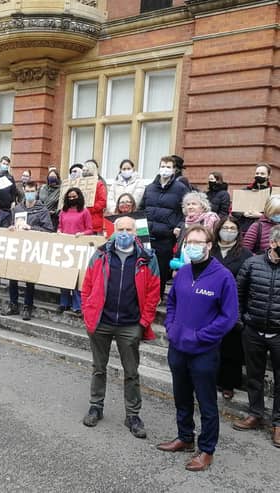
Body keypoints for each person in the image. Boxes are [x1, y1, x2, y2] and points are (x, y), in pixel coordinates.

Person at [157, 225, 238, 472]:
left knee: (206, 404)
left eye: (198, 242)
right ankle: (185, 438)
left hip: (204, 351)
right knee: (181, 397)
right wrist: (171, 327)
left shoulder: (223, 276)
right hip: (178, 348)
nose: (192, 245)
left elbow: (229, 317)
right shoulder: (182, 273)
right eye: (189, 241)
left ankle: (207, 450)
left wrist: (201, 336)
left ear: (209, 245)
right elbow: (171, 303)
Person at [81, 215, 161, 438]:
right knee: (99, 367)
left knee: (132, 372)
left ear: (136, 232)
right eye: (121, 229)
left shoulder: (147, 257)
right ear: (113, 231)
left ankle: (133, 414)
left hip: (130, 324)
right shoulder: (100, 253)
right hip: (101, 322)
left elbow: (154, 291)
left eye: (129, 229)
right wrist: (89, 312)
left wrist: (144, 321)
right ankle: (96, 406)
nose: (125, 233)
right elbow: (86, 284)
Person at [233, 225, 280, 448]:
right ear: (273, 243)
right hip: (253, 330)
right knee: (254, 375)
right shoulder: (252, 264)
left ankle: (278, 423)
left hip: (278, 334)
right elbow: (238, 294)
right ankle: (255, 413)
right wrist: (242, 321)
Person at [210, 216, 253, 400]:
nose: (228, 230)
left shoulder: (246, 255)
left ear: (238, 231)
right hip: (209, 303)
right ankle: (209, 379)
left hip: (233, 305)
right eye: (225, 227)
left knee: (231, 347)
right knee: (209, 346)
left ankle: (228, 384)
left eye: (232, 227)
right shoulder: (208, 250)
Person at [139, 156, 189, 300]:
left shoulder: (181, 189)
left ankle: (156, 297)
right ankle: (143, 296)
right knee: (144, 268)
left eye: (168, 166)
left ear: (174, 170)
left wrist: (179, 226)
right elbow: (141, 208)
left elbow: (185, 211)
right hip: (147, 234)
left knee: (160, 269)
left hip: (165, 237)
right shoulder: (149, 188)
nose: (165, 169)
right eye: (163, 166)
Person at [4, 181, 53, 320]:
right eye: (27, 191)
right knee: (12, 275)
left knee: (29, 278)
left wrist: (31, 228)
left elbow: (49, 230)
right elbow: (12, 224)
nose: (30, 193)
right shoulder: (17, 209)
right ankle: (13, 304)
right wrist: (12, 228)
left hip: (33, 249)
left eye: (32, 191)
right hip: (18, 247)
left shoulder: (42, 210)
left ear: (36, 192)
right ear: (24, 191)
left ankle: (27, 306)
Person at [57, 187, 93, 314]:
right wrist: (59, 231)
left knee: (78, 278)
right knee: (64, 276)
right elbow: (60, 227)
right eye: (70, 197)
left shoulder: (85, 212)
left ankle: (77, 305)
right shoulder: (62, 211)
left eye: (74, 196)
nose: (72, 199)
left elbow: (90, 229)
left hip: (79, 248)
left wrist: (82, 234)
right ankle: (64, 303)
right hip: (65, 247)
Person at [236, 163, 273, 233]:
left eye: (262, 174)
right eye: (257, 173)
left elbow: (276, 214)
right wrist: (244, 214)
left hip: (265, 230)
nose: (259, 175)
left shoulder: (273, 193)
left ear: (268, 176)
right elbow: (233, 210)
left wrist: (261, 215)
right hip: (245, 228)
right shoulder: (245, 190)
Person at [82, 160, 107, 234]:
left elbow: (102, 202)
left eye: (87, 170)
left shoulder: (99, 184)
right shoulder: (80, 184)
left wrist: (90, 209)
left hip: (94, 220)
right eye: (84, 170)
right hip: (81, 220)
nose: (85, 172)